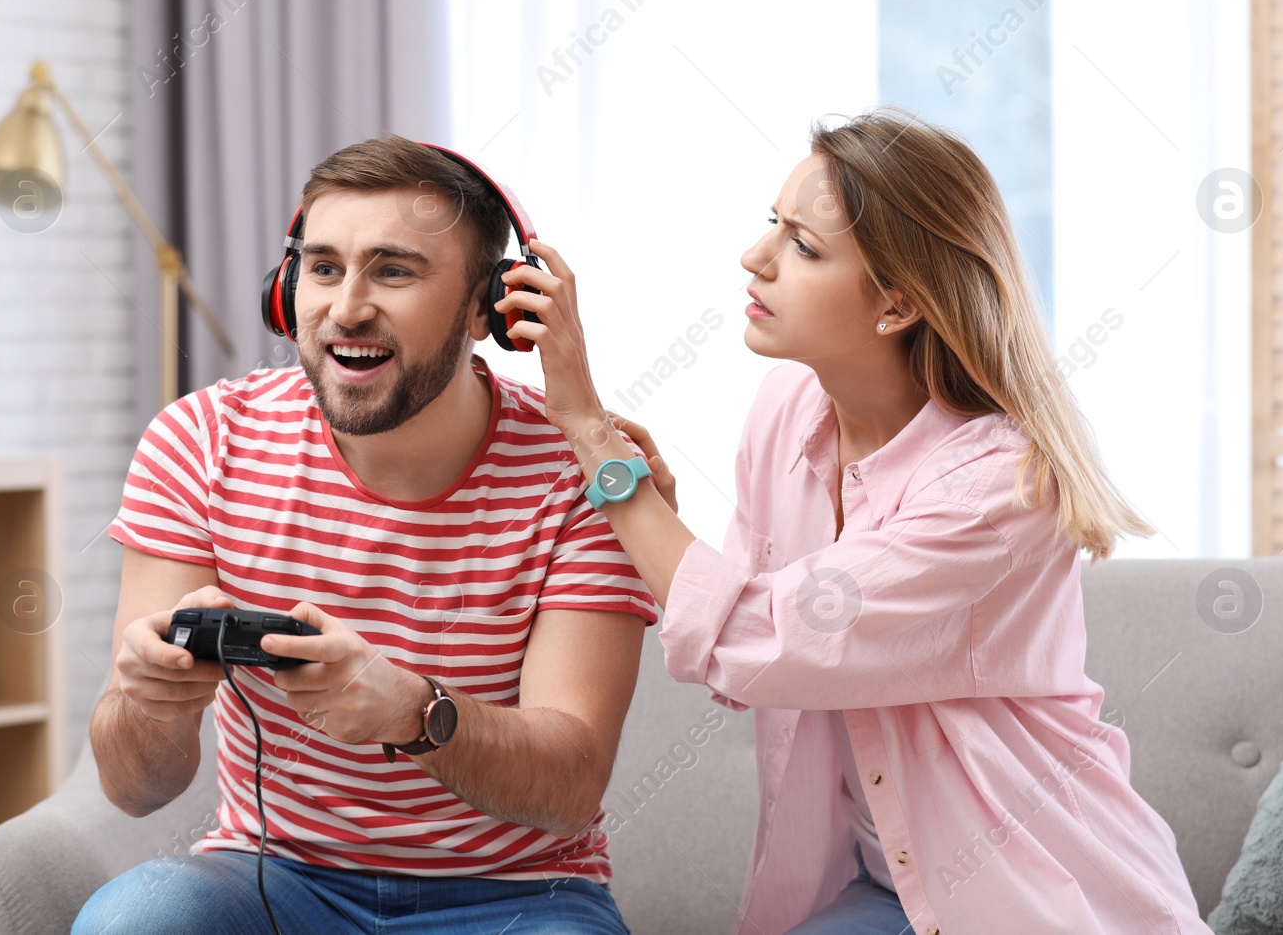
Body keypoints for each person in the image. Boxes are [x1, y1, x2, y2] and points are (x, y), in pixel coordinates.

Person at [495, 106, 1217, 935]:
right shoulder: (787, 410)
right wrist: (646, 506)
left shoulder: (1000, 489)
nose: (755, 257)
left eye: (802, 246)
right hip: (885, 891)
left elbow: (756, 644)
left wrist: (592, 436)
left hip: (1030, 893)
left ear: (896, 305)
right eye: (774, 223)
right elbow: (748, 636)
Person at [73, 135, 656, 934]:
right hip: (271, 876)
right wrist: (151, 705)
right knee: (135, 923)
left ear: (493, 306)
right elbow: (135, 786)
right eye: (322, 268)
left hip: (519, 895)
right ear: (287, 288)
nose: (345, 308)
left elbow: (569, 789)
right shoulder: (202, 440)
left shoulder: (581, 470)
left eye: (393, 269)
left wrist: (415, 711)